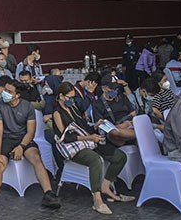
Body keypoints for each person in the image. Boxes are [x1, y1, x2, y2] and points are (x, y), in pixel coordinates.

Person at [0, 80, 61, 211]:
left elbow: (31, 132)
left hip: (23, 139)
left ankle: (48, 194)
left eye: (9, 92)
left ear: (17, 95)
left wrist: (21, 146)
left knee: (36, 159)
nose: (5, 93)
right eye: (5, 90)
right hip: (6, 140)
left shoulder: (27, 107)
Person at [53, 82, 134, 214]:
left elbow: (83, 126)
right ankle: (97, 199)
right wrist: (89, 138)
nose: (72, 100)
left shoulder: (72, 107)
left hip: (89, 140)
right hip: (74, 146)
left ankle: (106, 186)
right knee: (95, 160)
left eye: (73, 97)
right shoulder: (57, 112)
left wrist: (95, 126)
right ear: (61, 96)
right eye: (69, 97)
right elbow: (65, 137)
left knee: (120, 157)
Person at [90, 78, 136, 146]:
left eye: (116, 88)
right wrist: (123, 125)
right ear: (104, 88)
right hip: (114, 131)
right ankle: (139, 134)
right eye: (111, 89)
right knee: (113, 132)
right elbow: (102, 125)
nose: (115, 91)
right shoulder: (97, 104)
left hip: (130, 125)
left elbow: (133, 113)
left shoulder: (122, 97)